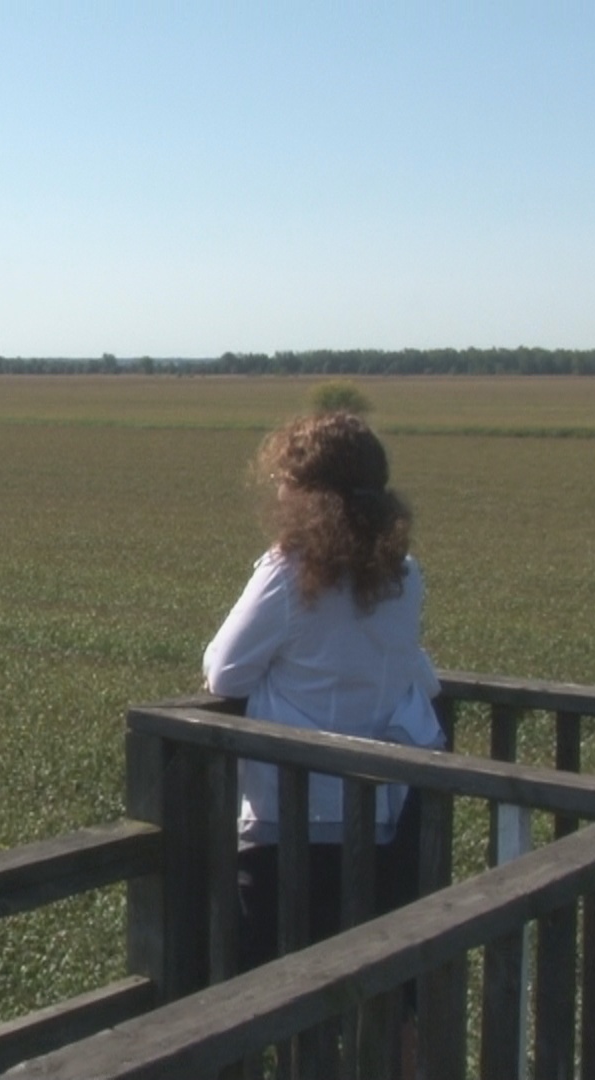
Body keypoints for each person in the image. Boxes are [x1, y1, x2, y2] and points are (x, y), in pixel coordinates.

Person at [202, 410, 443, 970]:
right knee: (389, 986)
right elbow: (411, 666)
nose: (279, 492)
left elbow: (225, 671)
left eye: (286, 480)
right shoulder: (405, 575)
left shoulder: (287, 572)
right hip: (384, 812)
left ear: (312, 496)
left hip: (293, 821)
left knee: (272, 985)